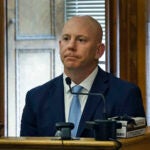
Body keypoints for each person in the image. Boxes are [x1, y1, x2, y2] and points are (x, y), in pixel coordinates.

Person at [20, 15, 145, 137]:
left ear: (99, 51)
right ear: (60, 45)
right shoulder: (36, 98)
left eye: (81, 40)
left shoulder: (125, 95)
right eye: (66, 38)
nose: (71, 46)